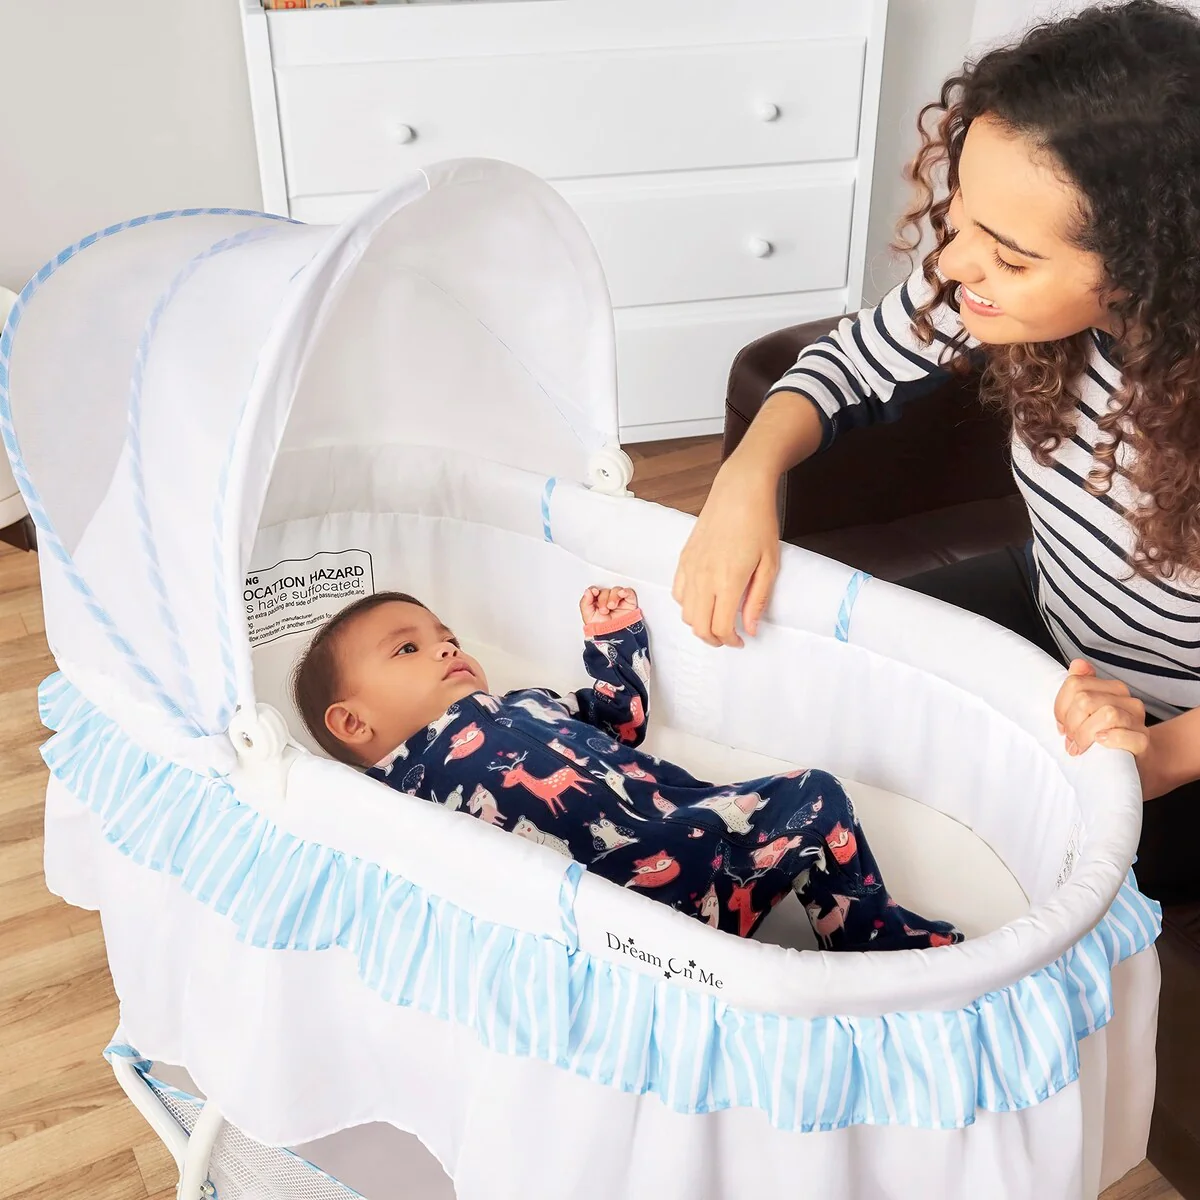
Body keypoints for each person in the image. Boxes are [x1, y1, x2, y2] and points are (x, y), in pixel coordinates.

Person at [673, 0, 1200, 905]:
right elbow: (846, 364)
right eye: (961, 221)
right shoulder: (985, 271)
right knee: (790, 693)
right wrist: (744, 477)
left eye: (1009, 255)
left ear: (1151, 262)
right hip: (1052, 617)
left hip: (1173, 737)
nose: (957, 266)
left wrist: (1159, 754)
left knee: (950, 877)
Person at [290, 587, 962, 950]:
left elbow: (619, 718)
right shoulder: (402, 787)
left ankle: (868, 938)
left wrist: (613, 642)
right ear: (354, 724)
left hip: (698, 843)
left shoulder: (529, 703)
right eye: (408, 649)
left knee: (815, 793)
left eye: (448, 638)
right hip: (614, 912)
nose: (445, 650)